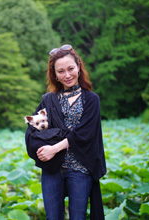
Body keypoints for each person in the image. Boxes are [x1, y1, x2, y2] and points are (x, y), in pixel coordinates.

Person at [25, 44, 106, 220]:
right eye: (61, 71)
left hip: (80, 168)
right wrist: (42, 150)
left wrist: (53, 148)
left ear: (78, 66)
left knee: (78, 217)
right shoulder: (49, 100)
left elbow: (83, 134)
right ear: (55, 74)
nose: (67, 75)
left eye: (70, 68)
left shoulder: (91, 99)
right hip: (53, 169)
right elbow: (32, 129)